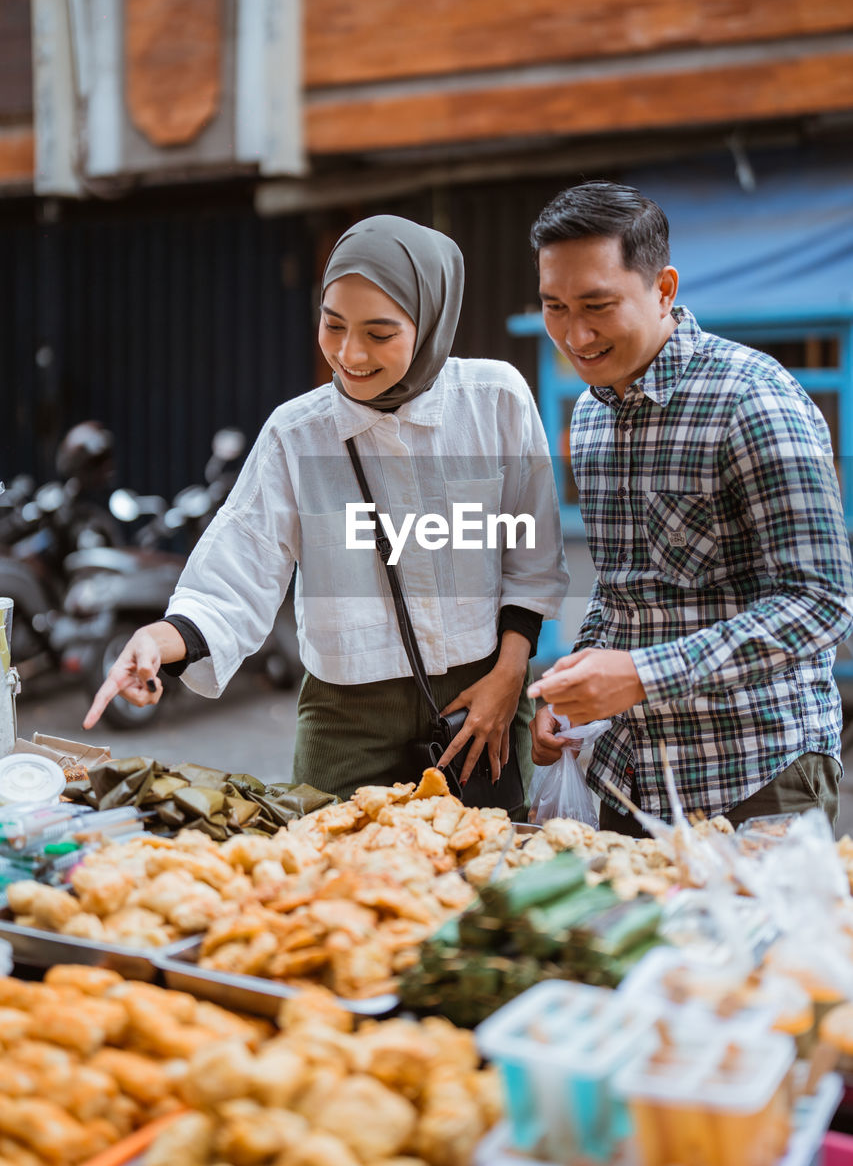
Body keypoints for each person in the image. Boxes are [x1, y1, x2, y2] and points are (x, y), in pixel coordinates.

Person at [84, 215, 568, 813]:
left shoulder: (495, 401)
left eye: (380, 333)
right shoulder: (296, 433)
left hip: (482, 699)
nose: (349, 354)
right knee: (328, 882)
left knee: (486, 877)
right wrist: (160, 639)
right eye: (333, 324)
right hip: (346, 722)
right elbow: (242, 563)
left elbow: (533, 553)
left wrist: (509, 675)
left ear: (433, 322)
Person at [526, 181, 853, 832]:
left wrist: (643, 675)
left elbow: (819, 603)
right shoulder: (591, 415)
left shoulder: (752, 400)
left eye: (597, 305)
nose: (575, 333)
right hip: (629, 771)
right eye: (554, 306)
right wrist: (572, 691)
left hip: (757, 772)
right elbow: (625, 592)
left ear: (664, 289)